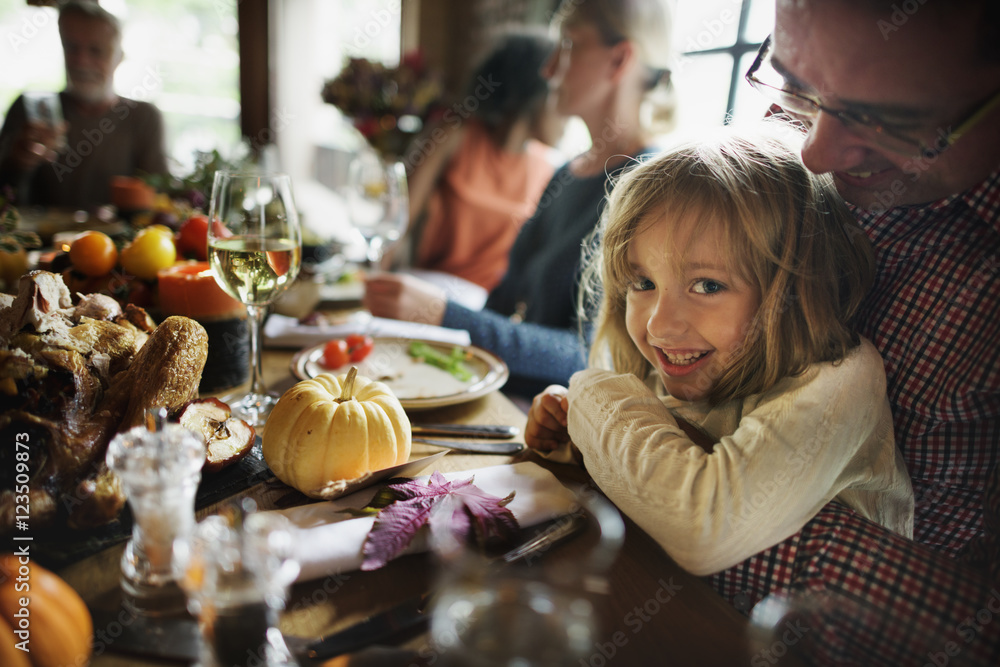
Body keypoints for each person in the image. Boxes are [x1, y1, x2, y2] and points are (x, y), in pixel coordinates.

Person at [697, 0, 1000, 663]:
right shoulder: (793, 142)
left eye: (889, 121)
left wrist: (683, 483)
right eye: (795, 84)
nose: (815, 153)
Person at [525, 125, 913, 575]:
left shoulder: (841, 379)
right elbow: (647, 465)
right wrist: (570, 435)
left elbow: (702, 527)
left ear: (794, 291)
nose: (659, 324)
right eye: (643, 283)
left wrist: (590, 397)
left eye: (708, 285)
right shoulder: (689, 361)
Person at [363, 0, 676, 399]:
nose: (547, 71)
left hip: (556, 423)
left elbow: (589, 355)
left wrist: (441, 311)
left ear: (619, 60)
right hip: (498, 397)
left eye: (568, 46)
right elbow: (502, 302)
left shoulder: (647, 187)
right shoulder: (567, 173)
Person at [404, 30, 565, 291]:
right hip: (431, 288)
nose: (567, 114)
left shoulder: (548, 170)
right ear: (534, 91)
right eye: (559, 92)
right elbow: (399, 222)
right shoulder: (454, 135)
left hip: (491, 311)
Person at [0, 1, 168, 210]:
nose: (81, 61)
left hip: (112, 242)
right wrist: (18, 162)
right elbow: (6, 199)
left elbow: (160, 201)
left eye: (96, 51)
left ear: (119, 57)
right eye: (72, 48)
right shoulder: (30, 108)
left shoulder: (144, 118)